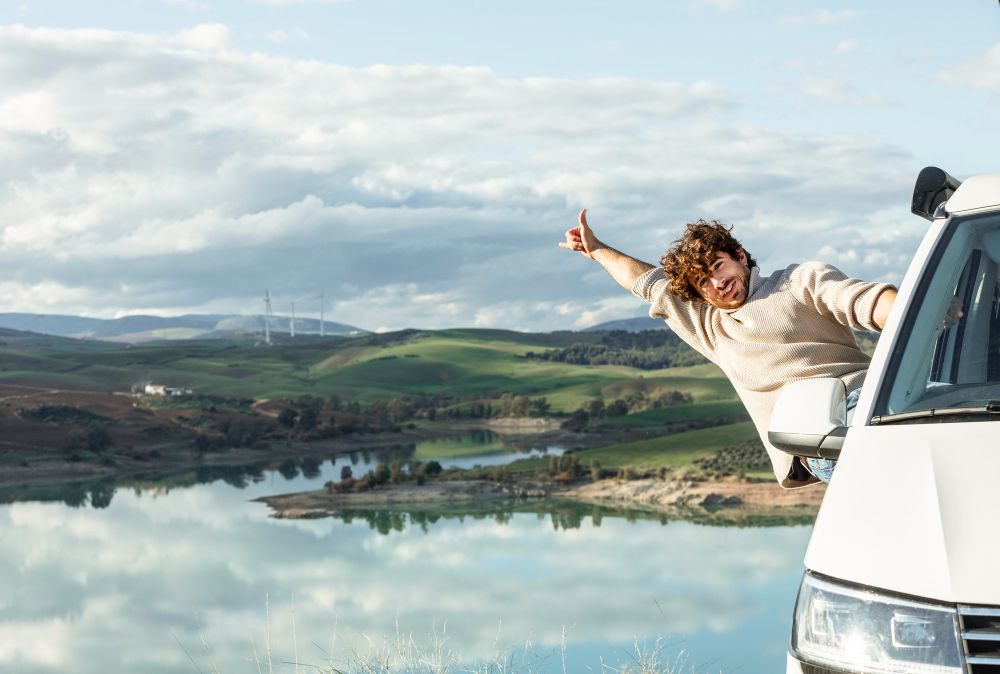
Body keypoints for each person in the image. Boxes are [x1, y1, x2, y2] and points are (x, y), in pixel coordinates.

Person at [559, 209, 897, 488]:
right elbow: (647, 283)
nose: (716, 284)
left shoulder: (797, 282)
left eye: (718, 266)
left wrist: (926, 310)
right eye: (703, 282)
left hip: (875, 400)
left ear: (739, 256)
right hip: (821, 435)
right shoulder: (711, 328)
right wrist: (596, 249)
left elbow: (864, 301)